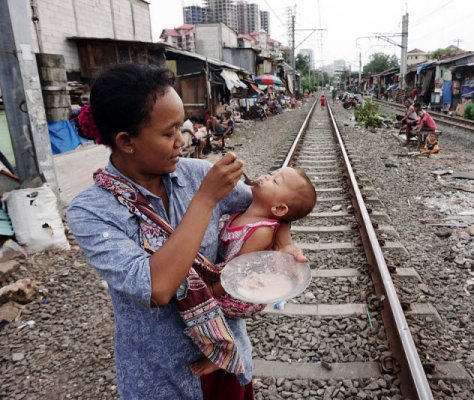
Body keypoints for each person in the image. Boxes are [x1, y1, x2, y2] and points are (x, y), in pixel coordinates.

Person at [66, 63, 305, 400]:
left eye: (181, 127)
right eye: (168, 133)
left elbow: (273, 206)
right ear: (126, 141)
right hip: (162, 375)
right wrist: (206, 199)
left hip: (225, 355)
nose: (182, 141)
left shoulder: (194, 174)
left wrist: (285, 244)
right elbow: (157, 288)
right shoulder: (91, 211)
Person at [188, 166, 316, 378]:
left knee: (204, 312)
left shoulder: (261, 231)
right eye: (273, 174)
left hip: (238, 291)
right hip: (230, 276)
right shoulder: (247, 211)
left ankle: (224, 354)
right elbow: (283, 223)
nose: (267, 176)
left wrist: (211, 293)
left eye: (275, 181)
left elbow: (237, 272)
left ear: (279, 209)